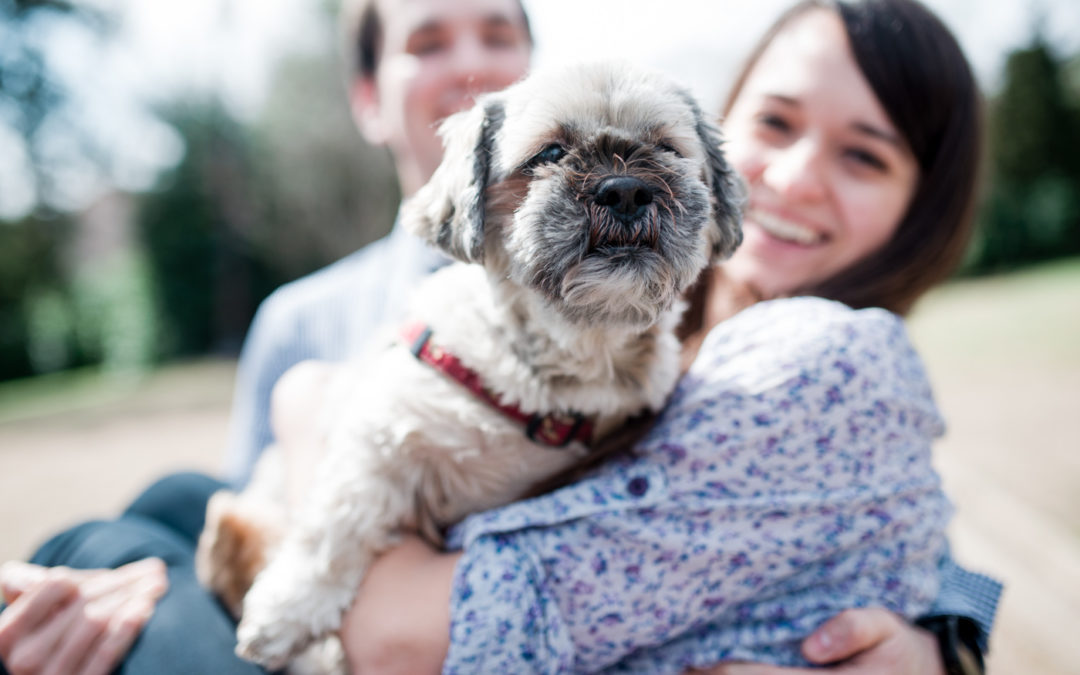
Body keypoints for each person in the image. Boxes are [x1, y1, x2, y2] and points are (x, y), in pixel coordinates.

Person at [0, 0, 1002, 673]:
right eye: (776, 126)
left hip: (377, 622)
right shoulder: (334, 307)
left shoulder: (812, 368)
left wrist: (941, 639)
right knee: (138, 529)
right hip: (302, 562)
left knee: (114, 557)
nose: (794, 178)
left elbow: (870, 506)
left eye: (866, 156)